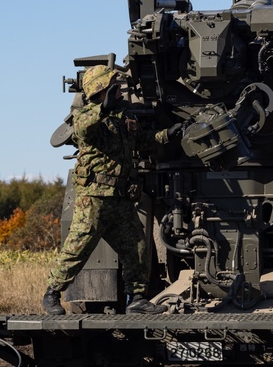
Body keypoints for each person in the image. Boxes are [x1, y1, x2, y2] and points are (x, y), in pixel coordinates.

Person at [42, 65, 181, 315]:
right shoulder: (87, 116)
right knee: (77, 249)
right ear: (102, 91)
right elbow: (82, 128)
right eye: (114, 88)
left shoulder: (123, 118)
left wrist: (167, 135)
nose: (121, 93)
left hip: (119, 199)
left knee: (137, 247)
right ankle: (52, 293)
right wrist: (103, 108)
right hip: (93, 200)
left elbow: (143, 141)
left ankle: (137, 299)